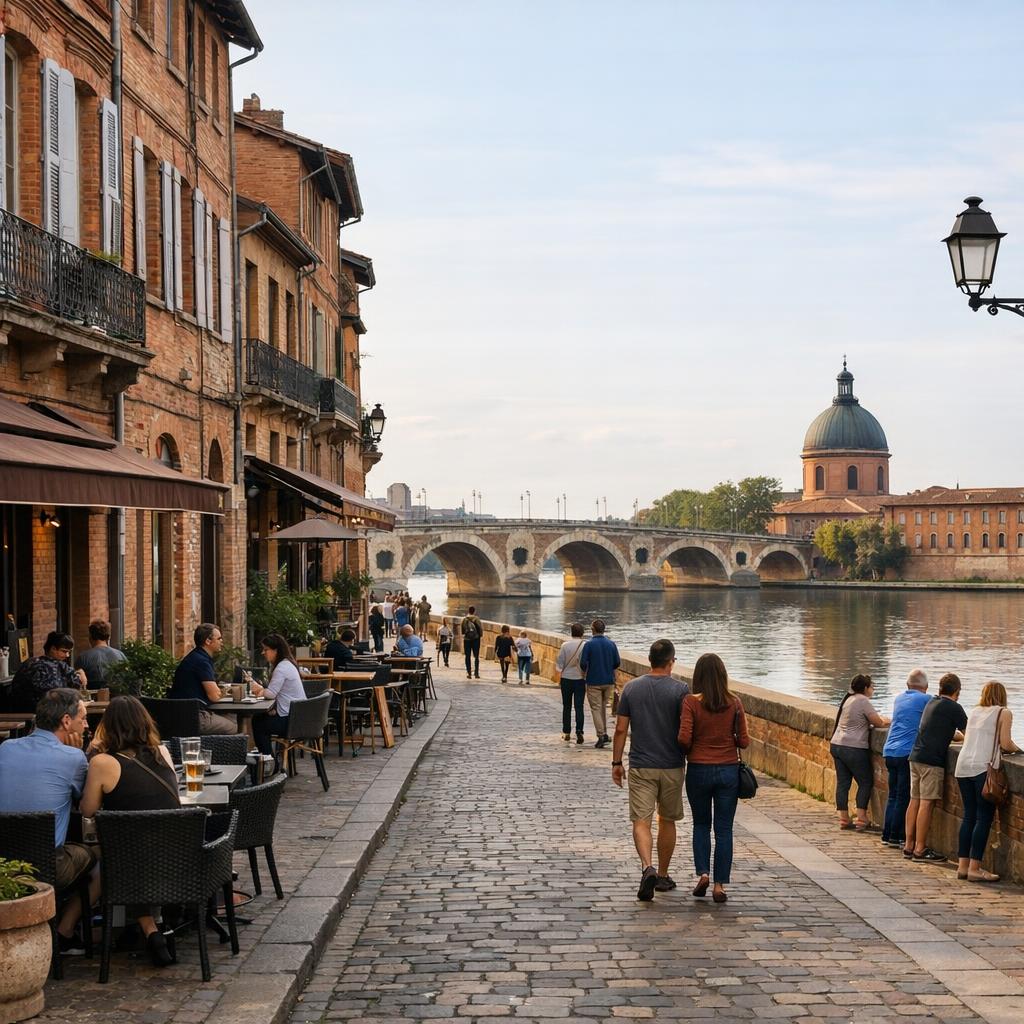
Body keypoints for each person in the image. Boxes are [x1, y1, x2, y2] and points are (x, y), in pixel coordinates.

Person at [80, 695, 178, 966]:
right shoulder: (162, 752)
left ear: (107, 726)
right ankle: (152, 929)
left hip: (132, 860)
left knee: (112, 859)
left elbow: (87, 810)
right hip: (177, 853)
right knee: (126, 854)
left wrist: (92, 752)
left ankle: (147, 930)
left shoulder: (103, 762)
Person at [0, 689, 99, 954]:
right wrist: (78, 754)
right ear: (66, 721)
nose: (86, 726)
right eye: (83, 718)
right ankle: (64, 931)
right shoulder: (73, 758)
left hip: (4, 863)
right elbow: (86, 806)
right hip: (46, 867)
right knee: (104, 856)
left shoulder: (5, 748)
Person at [611, 639, 690, 901]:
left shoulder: (631, 688)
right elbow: (686, 729)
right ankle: (663, 875)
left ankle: (647, 867)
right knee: (667, 819)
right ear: (671, 662)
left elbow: (620, 729)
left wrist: (616, 763)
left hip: (641, 765)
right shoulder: (681, 690)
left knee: (641, 821)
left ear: (649, 660)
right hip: (672, 765)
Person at [678, 653, 749, 904]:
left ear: (698, 676)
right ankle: (720, 885)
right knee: (724, 829)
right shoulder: (735, 702)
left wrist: (694, 747)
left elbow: (684, 738)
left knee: (701, 825)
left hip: (698, 769)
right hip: (728, 770)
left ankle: (703, 874)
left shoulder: (690, 702)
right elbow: (744, 741)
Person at [954, 681, 1022, 883]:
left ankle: (963, 867)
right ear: (1002, 695)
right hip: (983, 769)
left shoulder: (975, 711)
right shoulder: (1003, 712)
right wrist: (1019, 750)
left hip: (963, 767)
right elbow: (1006, 743)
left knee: (969, 816)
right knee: (983, 818)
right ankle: (975, 869)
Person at [904, 672, 967, 862]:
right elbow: (970, 734)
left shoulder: (932, 702)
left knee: (914, 800)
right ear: (957, 691)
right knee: (926, 803)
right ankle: (920, 849)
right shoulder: (954, 707)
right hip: (932, 761)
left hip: (916, 756)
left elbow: (939, 728)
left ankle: (908, 845)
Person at [829, 674, 889, 831]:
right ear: (865, 688)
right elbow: (878, 722)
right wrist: (889, 721)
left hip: (837, 745)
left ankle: (843, 818)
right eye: (872, 687)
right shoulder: (863, 701)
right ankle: (862, 818)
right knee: (865, 781)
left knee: (843, 783)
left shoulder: (848, 699)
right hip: (853, 747)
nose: (873, 689)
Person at [880, 669, 930, 849]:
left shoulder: (899, 698)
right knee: (903, 796)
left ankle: (887, 834)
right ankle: (897, 836)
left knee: (893, 795)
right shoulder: (926, 699)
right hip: (906, 753)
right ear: (926, 686)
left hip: (889, 750)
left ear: (908, 685)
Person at [167, 623, 235, 735]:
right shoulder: (201, 662)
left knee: (228, 716)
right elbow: (214, 696)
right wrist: (231, 691)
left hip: (179, 714)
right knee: (233, 725)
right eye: (219, 638)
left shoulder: (196, 656)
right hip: (193, 717)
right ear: (208, 641)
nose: (222, 641)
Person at [250, 634, 307, 759]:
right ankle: (266, 758)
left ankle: (267, 760)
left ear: (276, 650)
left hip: (291, 721)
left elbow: (271, 693)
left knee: (258, 723)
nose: (263, 652)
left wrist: (260, 690)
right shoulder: (288, 664)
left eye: (266, 649)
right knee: (260, 718)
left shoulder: (281, 668)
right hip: (299, 717)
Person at [9, 631, 86, 712]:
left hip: (23, 711)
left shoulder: (31, 662)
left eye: (69, 652)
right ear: (53, 649)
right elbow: (57, 696)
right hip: (39, 713)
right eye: (64, 651)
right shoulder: (49, 666)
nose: (67, 655)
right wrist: (79, 675)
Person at [579, 619, 620, 748]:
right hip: (609, 681)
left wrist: (587, 671)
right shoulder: (611, 644)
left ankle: (601, 735)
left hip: (594, 681)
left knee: (596, 708)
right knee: (603, 707)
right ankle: (605, 733)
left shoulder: (589, 645)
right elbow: (617, 663)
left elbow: (583, 663)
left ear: (593, 630)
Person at [555, 624, 588, 743]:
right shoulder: (585, 645)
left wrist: (558, 677)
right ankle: (579, 730)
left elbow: (559, 664)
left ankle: (566, 732)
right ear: (582, 633)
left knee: (567, 706)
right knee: (579, 706)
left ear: (571, 632)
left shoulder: (565, 645)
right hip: (580, 679)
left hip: (566, 678)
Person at [74, 620, 127, 689]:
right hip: (119, 694)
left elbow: (77, 682)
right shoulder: (121, 655)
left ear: (90, 636)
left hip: (94, 694)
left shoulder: (83, 657)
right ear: (109, 637)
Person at [461, 607, 483, 679]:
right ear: (474, 611)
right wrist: (479, 636)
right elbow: (480, 630)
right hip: (476, 639)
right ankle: (476, 673)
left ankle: (469, 672)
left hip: (467, 640)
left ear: (468, 611)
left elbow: (462, 631)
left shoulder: (464, 619)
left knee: (467, 656)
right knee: (476, 656)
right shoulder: (477, 619)